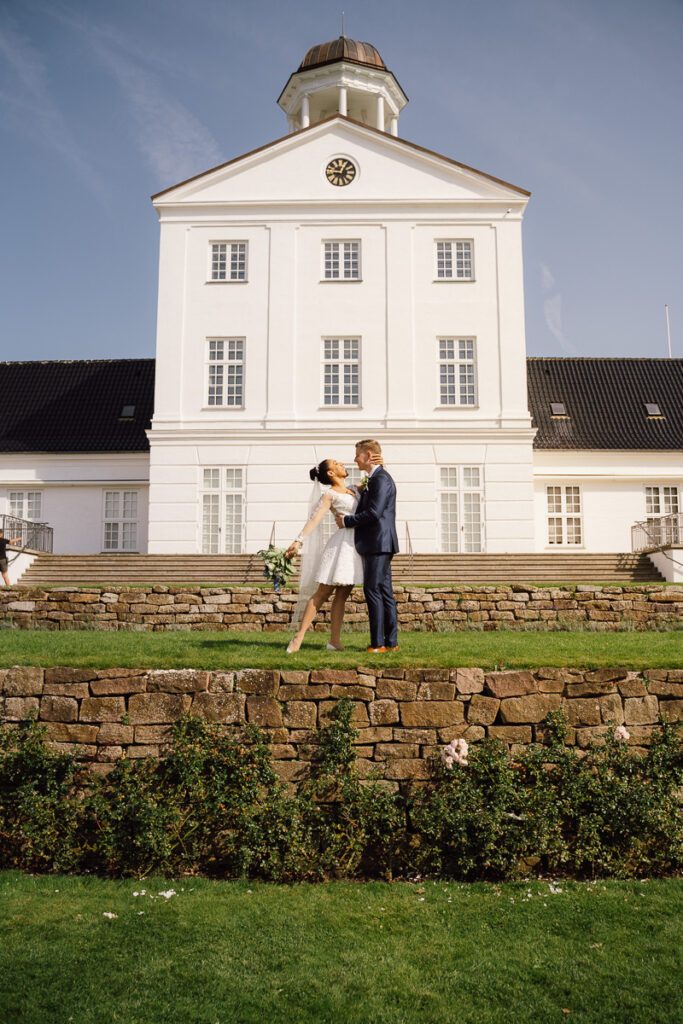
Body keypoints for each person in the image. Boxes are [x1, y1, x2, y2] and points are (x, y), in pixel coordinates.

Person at [284, 459, 363, 653]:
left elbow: (376, 477)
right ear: (330, 473)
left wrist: (381, 462)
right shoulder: (330, 494)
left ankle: (334, 641)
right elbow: (315, 519)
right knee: (323, 592)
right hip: (340, 544)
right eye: (337, 463)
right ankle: (299, 636)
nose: (342, 463)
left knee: (343, 595)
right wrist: (298, 540)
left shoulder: (355, 488)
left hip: (355, 546)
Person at [335, 439, 399, 653]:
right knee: (384, 591)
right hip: (380, 542)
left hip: (378, 542)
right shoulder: (376, 478)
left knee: (372, 590)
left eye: (358, 454)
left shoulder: (381, 479)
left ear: (369, 455)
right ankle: (391, 644)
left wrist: (346, 521)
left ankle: (378, 644)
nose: (355, 459)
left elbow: (374, 513)